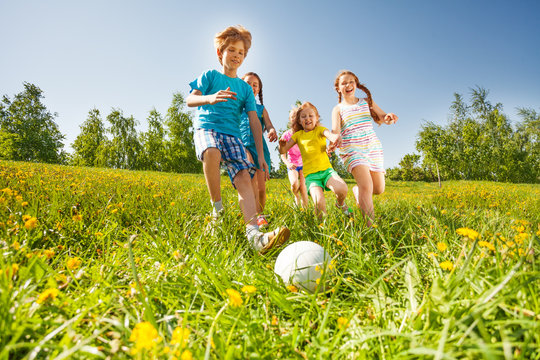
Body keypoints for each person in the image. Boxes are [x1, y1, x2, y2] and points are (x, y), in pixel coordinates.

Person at [186, 25, 290, 254]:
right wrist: (210, 98)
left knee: (245, 175)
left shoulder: (244, 88)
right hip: (208, 128)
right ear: (219, 53)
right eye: (231, 50)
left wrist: (261, 157)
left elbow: (255, 121)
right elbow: (189, 100)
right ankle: (217, 210)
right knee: (211, 152)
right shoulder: (210, 76)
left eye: (241, 53)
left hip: (232, 136)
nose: (236, 55)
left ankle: (255, 236)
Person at [330, 70, 398, 226]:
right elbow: (335, 131)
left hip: (372, 146)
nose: (348, 85)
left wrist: (389, 117)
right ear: (338, 88)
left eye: (351, 81)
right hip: (352, 148)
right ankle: (370, 228)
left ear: (356, 84)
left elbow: (382, 117)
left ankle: (357, 192)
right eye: (344, 83)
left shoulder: (367, 102)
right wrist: (333, 141)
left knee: (378, 189)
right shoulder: (338, 109)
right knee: (366, 185)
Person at [279, 102, 350, 218]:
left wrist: (335, 137)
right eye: (303, 116)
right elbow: (283, 151)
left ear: (316, 118)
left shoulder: (320, 130)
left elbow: (330, 135)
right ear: (299, 121)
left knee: (342, 189)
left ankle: (340, 204)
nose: (307, 119)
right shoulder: (298, 135)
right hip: (311, 176)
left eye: (310, 115)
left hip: (326, 171)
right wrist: (282, 146)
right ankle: (323, 228)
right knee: (318, 203)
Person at [239, 72, 277, 227]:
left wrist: (271, 130)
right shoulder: (236, 106)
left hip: (260, 149)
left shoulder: (261, 108)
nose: (251, 86)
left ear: (258, 90)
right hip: (242, 147)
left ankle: (260, 214)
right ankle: (253, 217)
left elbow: (268, 124)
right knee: (251, 183)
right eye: (248, 83)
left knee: (261, 188)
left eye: (255, 85)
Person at [280, 112, 308, 208]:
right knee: (294, 184)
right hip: (292, 164)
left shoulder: (303, 133)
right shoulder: (286, 135)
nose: (294, 118)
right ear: (290, 119)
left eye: (296, 117)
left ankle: (305, 209)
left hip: (304, 164)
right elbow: (282, 154)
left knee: (303, 187)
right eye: (292, 117)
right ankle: (297, 198)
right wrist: (288, 163)